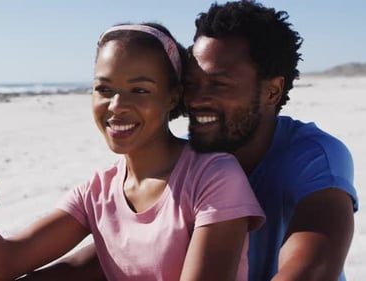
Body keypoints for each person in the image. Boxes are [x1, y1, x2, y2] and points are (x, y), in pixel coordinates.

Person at [25, 1, 359, 280]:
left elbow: (313, 267)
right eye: (192, 83)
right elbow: (123, 248)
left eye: (218, 85)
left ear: (272, 90)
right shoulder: (185, 160)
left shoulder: (313, 155)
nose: (196, 99)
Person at [0, 22, 265, 281]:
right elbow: (3, 263)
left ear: (172, 96)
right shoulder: (98, 191)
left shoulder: (214, 176)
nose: (117, 106)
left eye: (139, 89)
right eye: (104, 89)